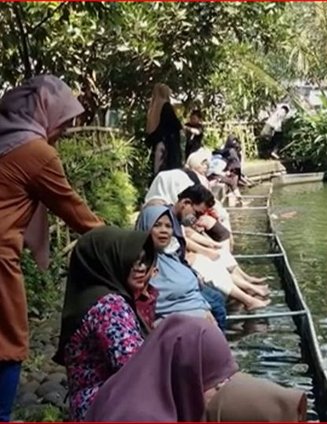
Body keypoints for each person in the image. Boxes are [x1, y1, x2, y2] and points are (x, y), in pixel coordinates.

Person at [0, 75, 104, 422]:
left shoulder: (6, 139)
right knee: (9, 344)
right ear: (47, 113)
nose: (63, 130)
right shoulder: (37, 153)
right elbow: (76, 212)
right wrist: (120, 244)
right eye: (64, 121)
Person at [84, 314, 307, 422]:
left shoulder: (126, 387)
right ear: (187, 374)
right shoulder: (141, 417)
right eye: (217, 383)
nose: (222, 391)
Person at [53, 226, 156, 421]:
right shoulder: (110, 306)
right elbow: (135, 367)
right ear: (107, 261)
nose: (141, 267)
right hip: (111, 407)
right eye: (132, 260)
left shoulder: (85, 298)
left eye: (145, 260)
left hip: (85, 406)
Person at [136, 204, 218, 326]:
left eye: (168, 226)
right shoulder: (139, 265)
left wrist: (204, 309)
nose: (164, 230)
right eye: (157, 225)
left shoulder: (170, 256)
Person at [145, 83, 183, 176]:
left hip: (157, 142)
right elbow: (175, 124)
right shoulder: (166, 106)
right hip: (168, 143)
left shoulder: (153, 107)